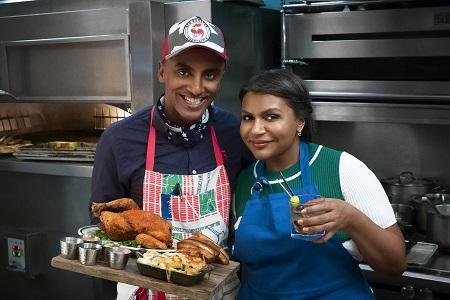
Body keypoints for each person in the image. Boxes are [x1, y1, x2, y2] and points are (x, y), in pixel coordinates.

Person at [90, 16, 252, 300]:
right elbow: (102, 229)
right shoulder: (119, 140)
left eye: (210, 75)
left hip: (220, 293)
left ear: (222, 76)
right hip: (145, 291)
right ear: (162, 71)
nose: (197, 88)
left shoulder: (234, 134)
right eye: (184, 71)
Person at [232, 69, 406, 299]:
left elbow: (395, 265)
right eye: (248, 118)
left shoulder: (342, 169)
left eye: (271, 117)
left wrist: (351, 218)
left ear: (300, 121)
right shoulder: (245, 180)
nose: (255, 130)